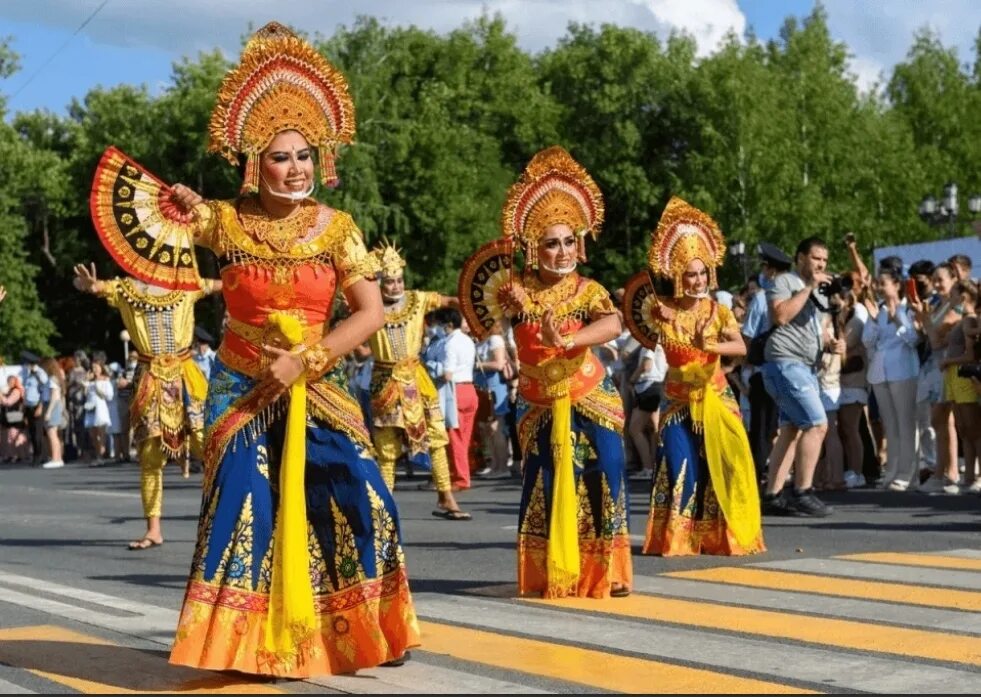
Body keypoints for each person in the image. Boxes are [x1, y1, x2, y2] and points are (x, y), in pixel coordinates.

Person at [157, 22, 417, 676]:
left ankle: (362, 628)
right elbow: (163, 234)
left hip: (317, 379)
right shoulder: (223, 220)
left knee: (360, 488)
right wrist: (178, 202)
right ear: (253, 160)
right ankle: (240, 645)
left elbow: (371, 310)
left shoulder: (338, 229)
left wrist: (307, 358)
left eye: (305, 155)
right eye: (280, 156)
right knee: (246, 499)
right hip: (240, 383)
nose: (295, 168)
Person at [462, 145, 632, 599]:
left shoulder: (589, 289)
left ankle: (605, 571)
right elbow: (484, 316)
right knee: (548, 480)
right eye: (551, 243)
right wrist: (507, 312)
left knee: (605, 469)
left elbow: (614, 322)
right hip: (538, 402)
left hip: (590, 393)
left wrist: (572, 339)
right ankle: (549, 571)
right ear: (535, 248)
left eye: (569, 241)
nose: (562, 251)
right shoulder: (516, 292)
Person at [631, 196, 764, 556]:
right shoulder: (663, 311)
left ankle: (724, 536)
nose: (697, 280)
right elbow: (633, 316)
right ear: (677, 275)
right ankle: (678, 538)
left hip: (716, 397)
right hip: (676, 400)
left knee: (728, 464)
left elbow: (740, 348)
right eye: (690, 274)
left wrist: (711, 346)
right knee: (679, 466)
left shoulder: (718, 312)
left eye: (702, 272)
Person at [73, 264, 220, 541]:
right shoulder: (127, 290)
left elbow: (225, 283)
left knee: (208, 447)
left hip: (186, 378)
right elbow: (96, 287)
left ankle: (223, 523)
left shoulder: (186, 284)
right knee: (150, 457)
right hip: (150, 380)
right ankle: (154, 529)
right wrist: (89, 286)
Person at [366, 240, 469, 519]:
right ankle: (384, 504)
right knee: (387, 447)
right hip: (385, 381)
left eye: (399, 280)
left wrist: (473, 301)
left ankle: (446, 497)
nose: (396, 286)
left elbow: (449, 301)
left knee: (437, 437)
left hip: (417, 380)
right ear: (379, 282)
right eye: (389, 282)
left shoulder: (417, 299)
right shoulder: (367, 303)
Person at [759, 237, 841, 517]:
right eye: (816, 258)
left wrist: (831, 344)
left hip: (804, 367)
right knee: (817, 425)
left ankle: (772, 495)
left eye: (824, 261)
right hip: (785, 363)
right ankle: (803, 491)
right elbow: (781, 316)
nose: (821, 264)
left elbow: (818, 329)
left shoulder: (818, 291)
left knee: (792, 430)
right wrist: (808, 287)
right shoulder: (785, 281)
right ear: (801, 258)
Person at [440, 308, 478, 491]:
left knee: (455, 437)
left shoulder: (449, 343)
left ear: (448, 325)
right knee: (465, 436)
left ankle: (460, 478)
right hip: (470, 388)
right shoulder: (468, 340)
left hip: (455, 391)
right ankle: (464, 473)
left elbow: (447, 374)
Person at [20, 351, 49, 465]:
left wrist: (41, 406)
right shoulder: (27, 374)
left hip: (37, 405)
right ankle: (36, 455)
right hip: (28, 406)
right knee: (32, 433)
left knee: (38, 433)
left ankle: (41, 456)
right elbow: (26, 391)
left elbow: (44, 392)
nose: (25, 365)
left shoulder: (40, 374)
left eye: (26, 363)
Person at [40, 357, 68, 469]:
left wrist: (49, 412)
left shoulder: (52, 379)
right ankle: (57, 457)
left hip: (52, 406)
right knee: (52, 433)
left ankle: (56, 458)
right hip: (52, 406)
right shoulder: (53, 378)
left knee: (52, 433)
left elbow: (54, 396)